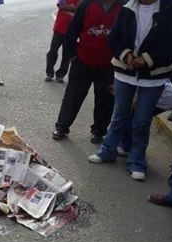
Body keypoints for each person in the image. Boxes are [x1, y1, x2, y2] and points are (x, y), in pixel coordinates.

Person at [88, 0, 172, 181]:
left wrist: (145, 59)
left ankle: (137, 162)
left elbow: (170, 44)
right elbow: (114, 38)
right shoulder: (127, 8)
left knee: (142, 120)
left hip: (153, 76)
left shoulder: (168, 9)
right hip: (124, 72)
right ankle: (107, 151)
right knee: (119, 114)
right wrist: (126, 54)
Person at [52, 0, 123, 144]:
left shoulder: (124, 7)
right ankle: (62, 127)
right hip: (82, 61)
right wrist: (72, 55)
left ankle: (99, 131)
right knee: (73, 96)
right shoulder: (87, 5)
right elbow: (72, 31)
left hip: (108, 65)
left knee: (105, 100)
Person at [45, 0, 81, 83]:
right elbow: (60, 5)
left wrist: (68, 7)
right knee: (53, 51)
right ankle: (49, 73)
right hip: (59, 28)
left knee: (67, 54)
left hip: (71, 32)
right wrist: (74, 8)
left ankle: (60, 74)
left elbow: (82, 9)